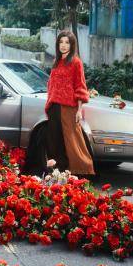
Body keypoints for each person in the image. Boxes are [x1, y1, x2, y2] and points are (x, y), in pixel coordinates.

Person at [44, 31, 95, 176]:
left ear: (72, 45)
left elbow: (80, 87)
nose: (63, 45)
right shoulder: (57, 62)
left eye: (67, 42)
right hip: (54, 106)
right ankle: (59, 173)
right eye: (61, 42)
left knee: (72, 142)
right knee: (54, 141)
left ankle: (82, 171)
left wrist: (79, 110)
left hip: (69, 108)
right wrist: (49, 104)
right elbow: (51, 85)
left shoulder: (76, 62)